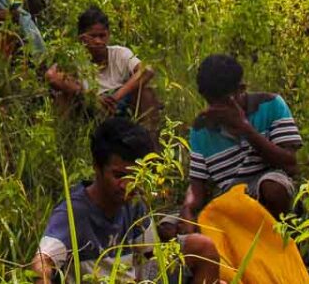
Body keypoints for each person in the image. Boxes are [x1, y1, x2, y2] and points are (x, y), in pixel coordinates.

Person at [31, 117, 224, 284]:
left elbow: (148, 258)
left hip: (134, 275)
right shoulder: (74, 212)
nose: (127, 185)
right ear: (97, 168)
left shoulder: (135, 204)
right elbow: (42, 261)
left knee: (202, 248)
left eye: (135, 176)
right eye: (118, 175)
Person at [180, 54, 302, 227]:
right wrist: (188, 209)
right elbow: (197, 187)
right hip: (228, 202)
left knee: (273, 188)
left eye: (224, 102)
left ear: (241, 90)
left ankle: (277, 240)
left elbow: (291, 165)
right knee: (169, 226)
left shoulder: (271, 105)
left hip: (265, 191)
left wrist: (246, 129)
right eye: (212, 103)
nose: (218, 110)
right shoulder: (201, 129)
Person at [44, 6, 162, 130]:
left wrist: (115, 97)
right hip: (87, 108)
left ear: (108, 35)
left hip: (119, 103)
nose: (98, 41)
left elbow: (147, 70)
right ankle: (66, 140)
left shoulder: (120, 53)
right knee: (62, 97)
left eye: (102, 36)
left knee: (146, 93)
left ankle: (150, 142)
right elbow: (51, 75)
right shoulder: (74, 59)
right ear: (82, 38)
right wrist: (91, 97)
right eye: (93, 36)